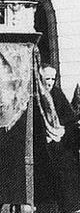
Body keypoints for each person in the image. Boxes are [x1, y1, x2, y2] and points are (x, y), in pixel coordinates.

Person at [34, 65, 80, 212]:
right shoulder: (36, 97)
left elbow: (69, 120)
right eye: (47, 78)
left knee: (68, 170)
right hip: (43, 144)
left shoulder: (57, 94)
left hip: (61, 144)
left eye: (53, 79)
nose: (50, 82)